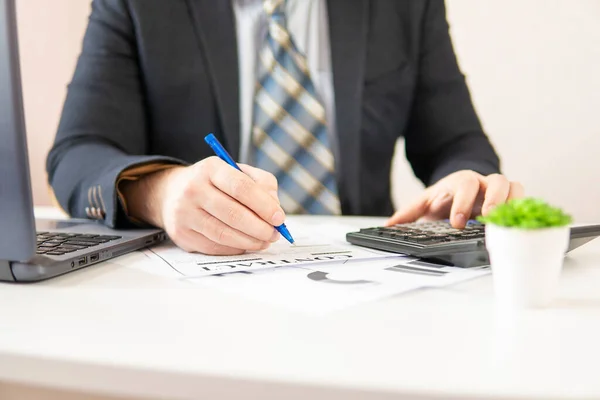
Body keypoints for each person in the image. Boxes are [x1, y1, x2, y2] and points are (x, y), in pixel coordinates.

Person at [47, 0, 523, 256]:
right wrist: (162, 192)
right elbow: (78, 152)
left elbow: (458, 143)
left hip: (365, 283)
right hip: (194, 290)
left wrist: (469, 183)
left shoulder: (405, 6)